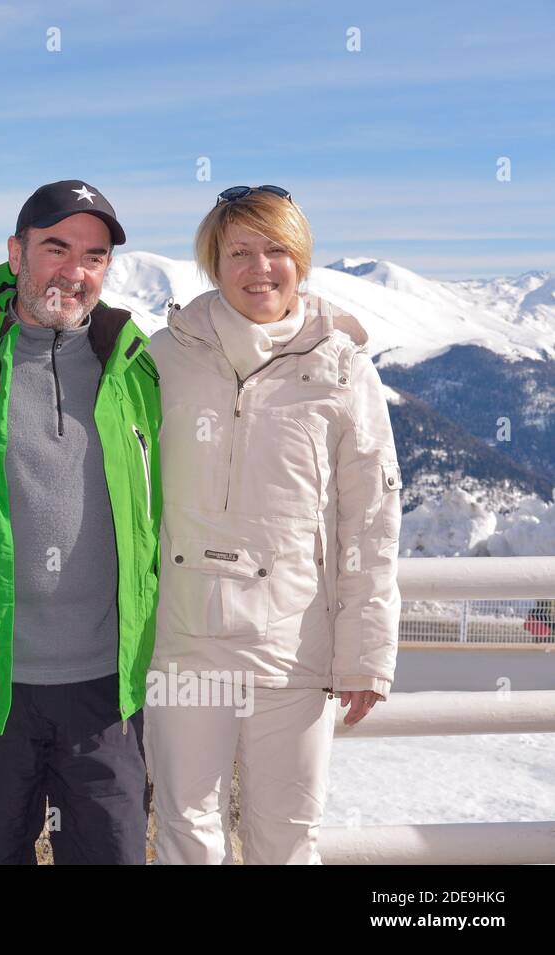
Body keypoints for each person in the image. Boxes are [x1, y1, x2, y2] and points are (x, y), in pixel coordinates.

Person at [0, 181, 161, 864]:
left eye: (94, 256)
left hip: (106, 689)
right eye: (55, 247)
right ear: (15, 254)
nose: (73, 271)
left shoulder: (137, 372)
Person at [144, 185, 401, 865]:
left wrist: (366, 650)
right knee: (184, 829)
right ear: (213, 262)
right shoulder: (164, 357)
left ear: (302, 259)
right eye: (240, 252)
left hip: (293, 648)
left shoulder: (342, 367)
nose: (261, 267)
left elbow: (371, 519)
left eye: (277, 250)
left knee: (286, 838)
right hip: (183, 638)